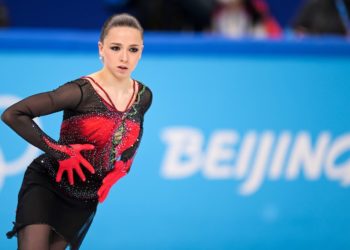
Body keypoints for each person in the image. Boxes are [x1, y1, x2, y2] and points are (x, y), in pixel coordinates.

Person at [1, 13, 152, 250]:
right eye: (115, 48)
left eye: (133, 50)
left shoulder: (143, 96)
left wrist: (123, 167)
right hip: (48, 182)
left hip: (85, 197)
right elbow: (13, 114)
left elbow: (135, 131)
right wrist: (61, 152)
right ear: (101, 49)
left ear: (141, 51)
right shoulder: (79, 91)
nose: (124, 57)